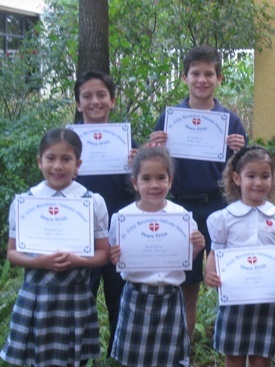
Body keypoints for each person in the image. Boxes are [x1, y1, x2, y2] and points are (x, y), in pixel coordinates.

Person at [150, 45, 247, 340]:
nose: (202, 80)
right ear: (184, 77)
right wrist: (156, 146)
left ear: (219, 78)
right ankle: (184, 351)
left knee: (229, 281)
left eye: (209, 74)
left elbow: (245, 171)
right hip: (181, 209)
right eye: (195, 74)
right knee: (186, 287)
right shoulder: (169, 119)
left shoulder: (230, 121)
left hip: (220, 206)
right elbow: (154, 166)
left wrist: (240, 151)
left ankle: (232, 347)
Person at [1, 128, 110, 367]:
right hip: (37, 294)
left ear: (78, 164)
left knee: (74, 358)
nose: (57, 166)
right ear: (40, 162)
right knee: (38, 357)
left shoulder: (91, 201)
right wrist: (40, 262)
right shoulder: (26, 200)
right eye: (51, 158)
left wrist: (78, 260)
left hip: (75, 294)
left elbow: (103, 253)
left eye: (66, 159)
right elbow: (13, 252)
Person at [108, 145, 205, 367]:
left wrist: (197, 247)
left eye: (161, 178)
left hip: (171, 296)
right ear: (135, 182)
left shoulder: (181, 216)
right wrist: (114, 256)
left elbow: (185, 257)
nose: (154, 185)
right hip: (136, 295)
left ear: (170, 181)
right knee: (135, 360)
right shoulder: (122, 218)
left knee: (170, 361)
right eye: (146, 178)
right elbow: (116, 254)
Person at [204, 146, 275, 367]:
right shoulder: (224, 218)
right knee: (233, 356)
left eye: (265, 176)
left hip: (267, 299)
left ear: (273, 179)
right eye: (251, 176)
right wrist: (209, 275)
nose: (258, 183)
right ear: (236, 178)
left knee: (261, 359)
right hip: (235, 298)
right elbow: (216, 251)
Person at [73, 70, 136, 358]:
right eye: (87, 96)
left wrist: (137, 167)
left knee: (119, 298)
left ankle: (118, 355)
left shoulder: (126, 144)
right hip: (79, 234)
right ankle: (80, 355)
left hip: (119, 234)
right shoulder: (67, 144)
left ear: (113, 100)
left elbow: (140, 192)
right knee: (80, 298)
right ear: (78, 103)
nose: (94, 101)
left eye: (101, 95)